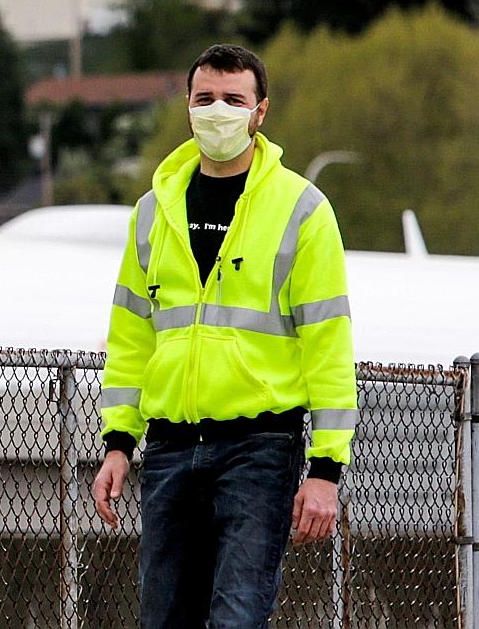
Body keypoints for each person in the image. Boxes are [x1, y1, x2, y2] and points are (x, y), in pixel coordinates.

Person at [92, 44, 357, 628]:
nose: (218, 111)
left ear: (261, 111)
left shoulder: (302, 210)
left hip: (259, 447)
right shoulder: (152, 211)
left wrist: (326, 470)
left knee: (237, 615)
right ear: (187, 107)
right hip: (167, 447)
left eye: (234, 100)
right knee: (163, 617)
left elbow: (329, 346)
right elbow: (132, 336)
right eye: (205, 98)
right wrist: (118, 441)